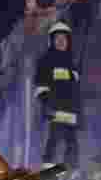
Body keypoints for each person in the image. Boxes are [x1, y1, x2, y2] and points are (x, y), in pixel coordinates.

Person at [34, 21, 81, 171]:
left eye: (64, 39)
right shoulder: (46, 60)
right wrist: (47, 103)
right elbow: (41, 84)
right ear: (52, 41)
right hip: (55, 108)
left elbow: (76, 84)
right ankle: (48, 170)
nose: (61, 42)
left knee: (71, 140)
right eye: (57, 39)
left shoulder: (72, 61)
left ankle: (71, 170)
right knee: (55, 138)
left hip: (71, 108)